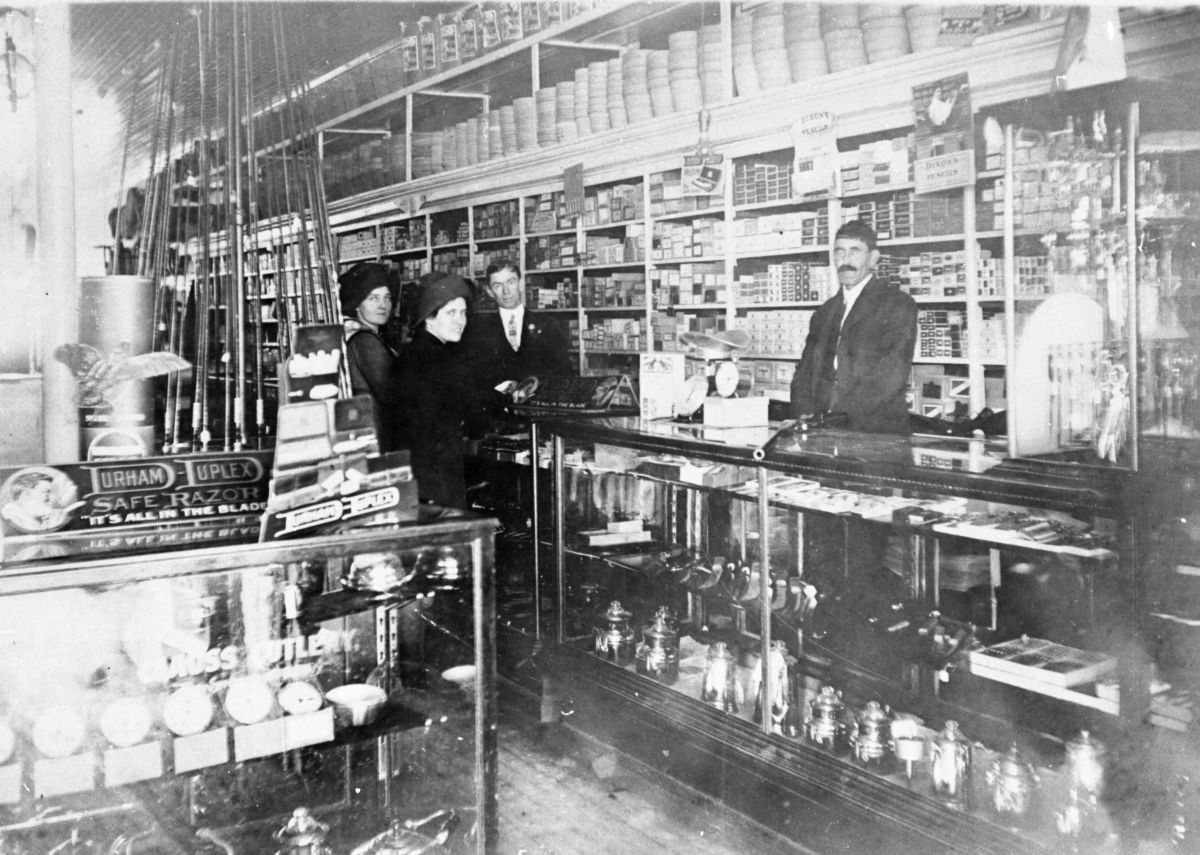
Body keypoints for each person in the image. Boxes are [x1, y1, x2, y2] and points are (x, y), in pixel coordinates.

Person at [790, 220, 917, 435]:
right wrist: (804, 412)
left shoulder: (896, 304)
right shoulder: (824, 312)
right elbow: (805, 370)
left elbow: (890, 374)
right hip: (823, 430)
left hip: (875, 431)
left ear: (874, 258)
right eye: (839, 253)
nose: (845, 261)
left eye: (854, 252)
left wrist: (839, 418)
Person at [395, 272, 478, 509]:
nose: (460, 320)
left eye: (463, 313)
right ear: (429, 317)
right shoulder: (439, 359)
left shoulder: (412, 353)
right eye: (450, 313)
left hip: (416, 479)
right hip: (436, 480)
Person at [462, 260, 574, 394]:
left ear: (521, 284)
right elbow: (471, 379)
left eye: (511, 282)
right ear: (490, 291)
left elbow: (565, 375)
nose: (506, 291)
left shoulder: (548, 324)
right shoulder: (478, 329)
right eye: (498, 286)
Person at [339, 262, 402, 451]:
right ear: (357, 303)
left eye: (387, 298)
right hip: (376, 438)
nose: (383, 305)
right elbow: (393, 392)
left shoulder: (355, 334)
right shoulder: (365, 341)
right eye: (373, 298)